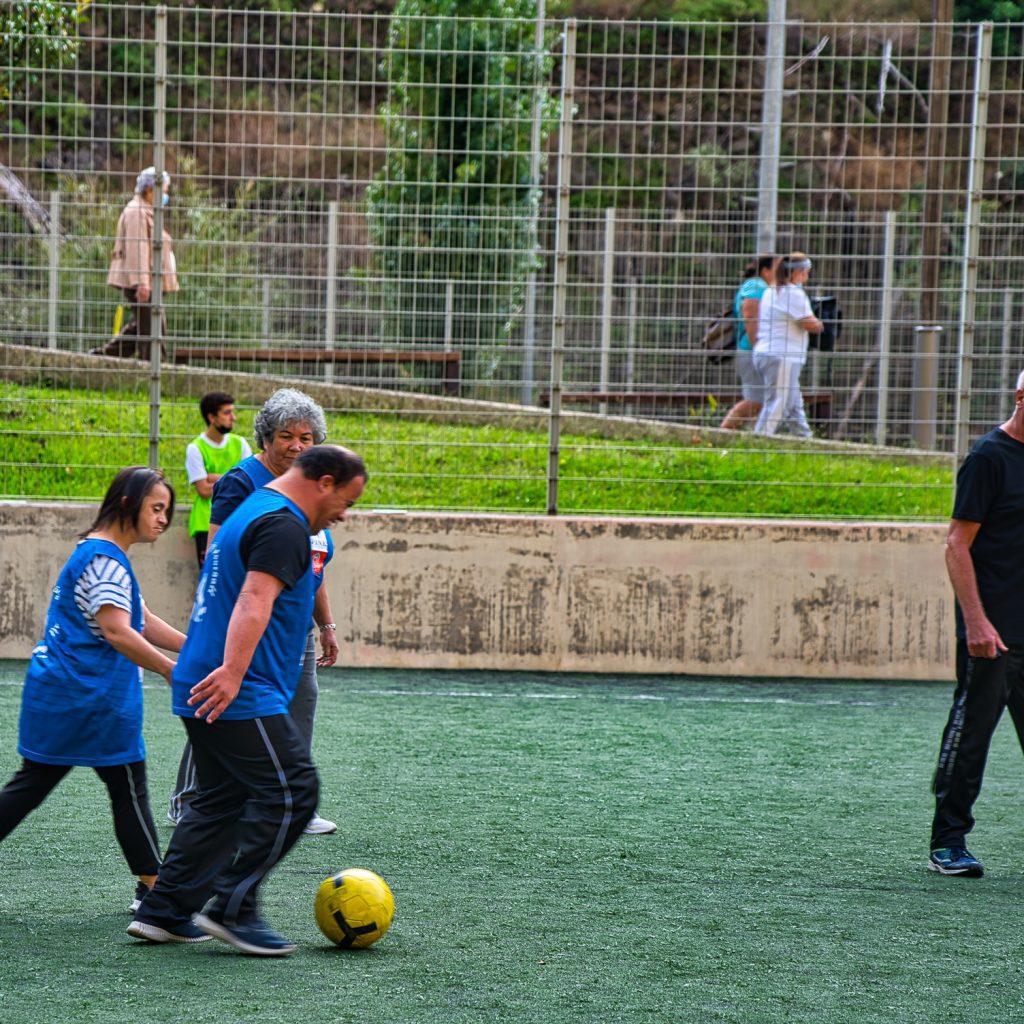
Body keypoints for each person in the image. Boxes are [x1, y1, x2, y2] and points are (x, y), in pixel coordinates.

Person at [128, 445, 367, 954]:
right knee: (294, 789)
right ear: (324, 482)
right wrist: (235, 673)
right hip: (236, 687)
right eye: (347, 500)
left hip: (207, 677)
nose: (345, 514)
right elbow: (254, 597)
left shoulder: (255, 508)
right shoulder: (283, 523)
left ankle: (164, 911)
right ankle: (235, 907)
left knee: (221, 801)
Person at [0, 467, 187, 918]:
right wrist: (169, 669)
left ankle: (151, 886)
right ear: (127, 503)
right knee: (128, 788)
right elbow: (118, 632)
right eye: (156, 508)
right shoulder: (106, 562)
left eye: (167, 510)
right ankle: (155, 891)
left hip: (60, 697)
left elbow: (138, 618)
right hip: (92, 703)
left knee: (31, 787)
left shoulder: (97, 553)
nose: (164, 519)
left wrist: (197, 649)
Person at [167, 387, 339, 836]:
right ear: (266, 437)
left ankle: (288, 802)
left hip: (292, 628)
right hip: (246, 619)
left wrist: (328, 624)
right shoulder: (241, 481)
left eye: (306, 437)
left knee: (300, 703)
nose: (297, 446)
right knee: (219, 705)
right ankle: (188, 801)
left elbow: (313, 563)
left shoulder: (311, 487)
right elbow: (217, 553)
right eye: (286, 436)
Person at [928, 370, 1024, 879]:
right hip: (993, 637)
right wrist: (977, 624)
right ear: (1021, 397)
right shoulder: (989, 458)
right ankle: (948, 843)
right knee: (970, 741)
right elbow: (956, 544)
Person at [94, 166, 178, 360]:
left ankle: (103, 357)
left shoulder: (146, 211)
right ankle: (155, 370)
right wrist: (142, 282)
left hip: (148, 280)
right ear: (150, 190)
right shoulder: (137, 212)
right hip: (143, 281)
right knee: (154, 328)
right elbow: (136, 250)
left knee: (142, 325)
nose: (165, 196)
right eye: (164, 191)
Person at [752, 251, 823, 438]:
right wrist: (822, 324)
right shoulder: (793, 293)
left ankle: (805, 442)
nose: (807, 275)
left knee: (793, 404)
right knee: (779, 403)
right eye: (806, 271)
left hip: (768, 353)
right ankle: (758, 442)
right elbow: (809, 323)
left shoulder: (771, 290)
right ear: (797, 272)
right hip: (782, 356)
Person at [185, 391, 252, 570]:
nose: (234, 417)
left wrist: (217, 478)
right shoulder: (195, 448)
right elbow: (204, 491)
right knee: (211, 576)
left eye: (233, 412)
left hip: (238, 520)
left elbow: (249, 484)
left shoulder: (241, 444)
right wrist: (233, 479)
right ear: (212, 417)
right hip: (205, 522)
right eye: (227, 413)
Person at [720, 255, 775, 430]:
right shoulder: (756, 285)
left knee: (763, 400)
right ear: (766, 271)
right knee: (755, 400)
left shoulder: (761, 286)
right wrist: (759, 348)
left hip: (754, 349)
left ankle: (754, 439)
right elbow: (750, 316)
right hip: (752, 350)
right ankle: (721, 435)